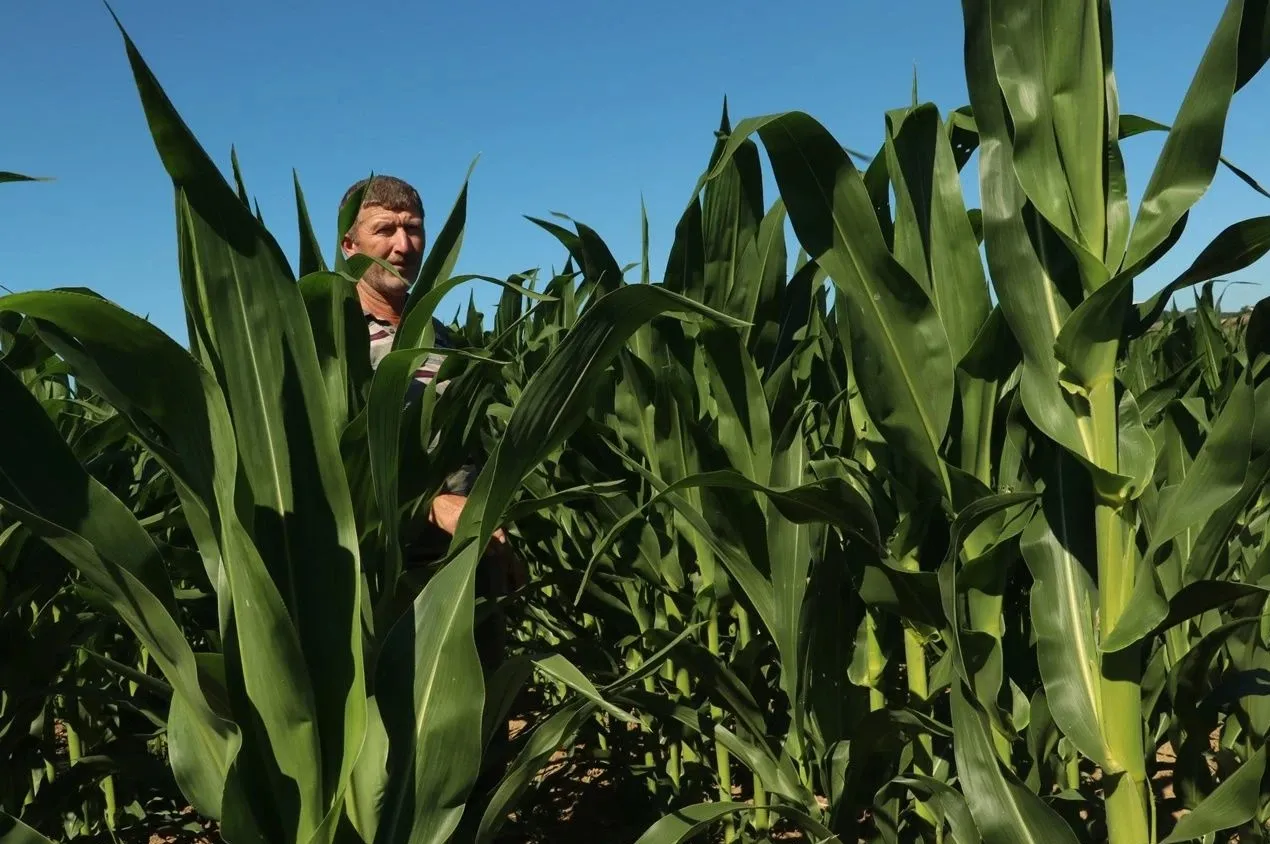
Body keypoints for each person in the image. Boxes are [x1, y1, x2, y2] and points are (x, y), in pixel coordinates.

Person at [337, 174, 525, 609]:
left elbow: (467, 458)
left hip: (466, 568)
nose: (403, 246)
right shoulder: (333, 342)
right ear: (350, 245)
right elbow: (328, 466)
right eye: (385, 229)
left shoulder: (444, 342)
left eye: (414, 228)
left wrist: (498, 543)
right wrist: (428, 505)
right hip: (381, 583)